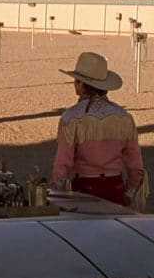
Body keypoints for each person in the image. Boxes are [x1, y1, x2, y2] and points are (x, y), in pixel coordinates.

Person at [52, 52, 147, 208]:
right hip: (115, 189)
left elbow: (62, 164)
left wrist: (56, 195)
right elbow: (135, 164)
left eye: (76, 81)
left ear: (81, 85)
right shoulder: (124, 117)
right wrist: (130, 192)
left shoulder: (71, 118)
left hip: (82, 190)